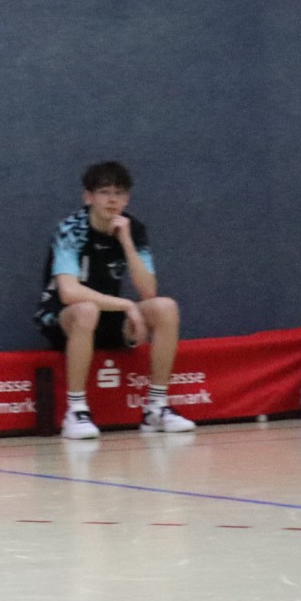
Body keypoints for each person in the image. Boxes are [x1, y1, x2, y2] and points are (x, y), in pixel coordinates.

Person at [34, 161, 196, 439]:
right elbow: (69, 293)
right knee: (86, 310)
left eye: (119, 193)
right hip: (63, 318)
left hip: (108, 317)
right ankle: (76, 411)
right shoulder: (71, 230)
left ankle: (156, 407)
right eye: (104, 192)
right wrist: (127, 305)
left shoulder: (133, 229)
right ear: (88, 197)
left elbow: (148, 292)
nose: (112, 200)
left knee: (165, 307)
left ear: (127, 198)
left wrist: (127, 243)